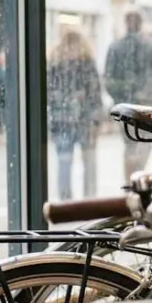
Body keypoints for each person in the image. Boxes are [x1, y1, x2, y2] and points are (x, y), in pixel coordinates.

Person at [105, 11, 152, 178]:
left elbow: (108, 80)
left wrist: (118, 97)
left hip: (125, 105)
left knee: (129, 145)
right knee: (144, 143)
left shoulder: (115, 47)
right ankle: (137, 174)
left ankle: (131, 180)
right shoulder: (151, 46)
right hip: (145, 104)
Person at [49, 30, 102, 200]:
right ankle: (87, 200)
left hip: (65, 122)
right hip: (80, 121)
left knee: (68, 162)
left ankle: (69, 202)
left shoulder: (55, 64)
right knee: (86, 162)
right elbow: (95, 96)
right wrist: (96, 120)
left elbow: (48, 96)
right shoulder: (85, 63)